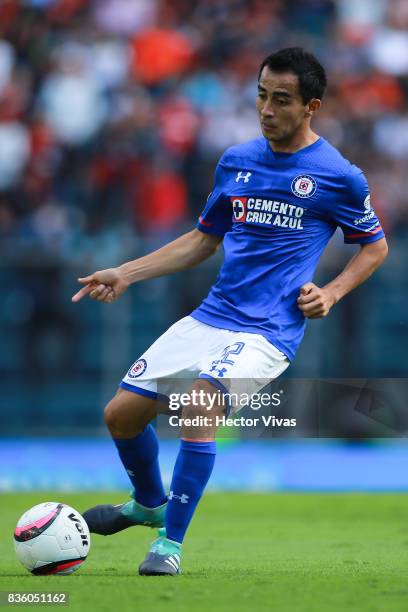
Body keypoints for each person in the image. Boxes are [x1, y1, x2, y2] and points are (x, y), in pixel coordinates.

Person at [72, 47, 388, 576]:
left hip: (268, 333)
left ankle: (168, 545)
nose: (267, 109)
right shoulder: (236, 161)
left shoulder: (339, 176)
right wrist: (125, 272)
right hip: (211, 316)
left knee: (198, 408)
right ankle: (149, 502)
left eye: (281, 100)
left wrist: (331, 293)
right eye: (261, 96)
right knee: (120, 415)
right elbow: (202, 240)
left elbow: (374, 245)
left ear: (311, 106)